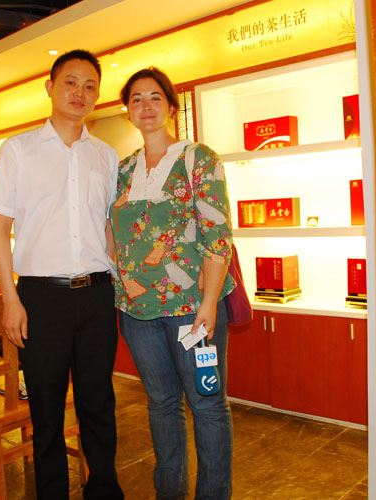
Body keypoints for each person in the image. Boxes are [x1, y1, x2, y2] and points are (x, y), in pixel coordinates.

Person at [0, 50, 124, 500]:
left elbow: (107, 226)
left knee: (98, 404)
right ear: (50, 87)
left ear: (98, 95)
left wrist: (120, 279)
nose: (79, 93)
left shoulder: (106, 156)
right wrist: (10, 300)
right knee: (46, 413)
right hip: (40, 299)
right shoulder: (18, 150)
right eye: (70, 82)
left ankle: (103, 490)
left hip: (97, 295)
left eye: (89, 86)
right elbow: (0, 229)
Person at [110, 67, 234, 500]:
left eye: (155, 97)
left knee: (206, 403)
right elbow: (113, 231)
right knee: (161, 404)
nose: (145, 106)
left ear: (171, 107)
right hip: (137, 312)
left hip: (192, 310)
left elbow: (217, 234)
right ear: (128, 110)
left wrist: (209, 302)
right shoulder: (123, 169)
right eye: (136, 99)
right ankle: (170, 493)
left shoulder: (198, 158)